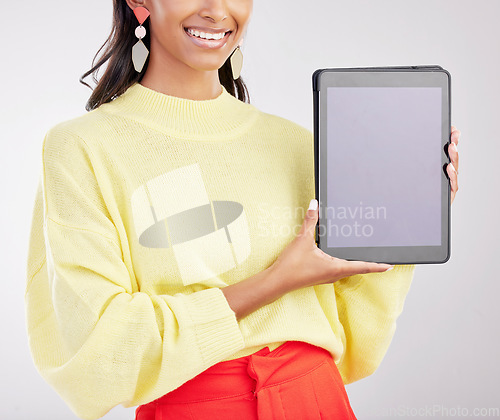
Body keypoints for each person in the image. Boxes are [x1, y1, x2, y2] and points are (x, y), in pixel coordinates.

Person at [24, 0, 461, 419]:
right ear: (140, 1)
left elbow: (354, 336)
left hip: (319, 402)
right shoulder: (82, 148)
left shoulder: (299, 145)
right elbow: (102, 348)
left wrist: (411, 214)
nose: (217, 10)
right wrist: (275, 281)